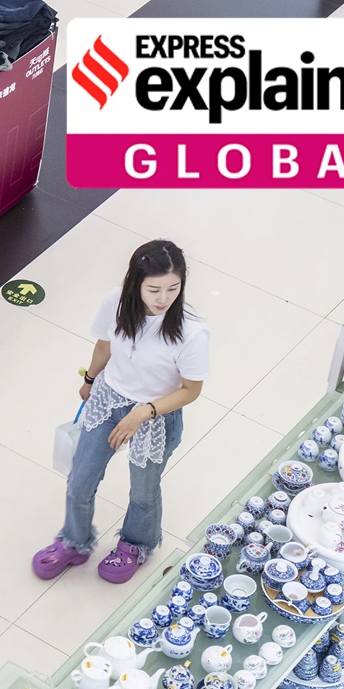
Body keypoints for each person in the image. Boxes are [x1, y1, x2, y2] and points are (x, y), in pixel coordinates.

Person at [32, 240, 210, 585]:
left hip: (155, 417)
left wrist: (144, 412)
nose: (163, 298)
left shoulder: (192, 332)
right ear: (135, 284)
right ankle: (75, 541)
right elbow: (104, 345)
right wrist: (91, 379)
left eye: (173, 288)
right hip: (109, 399)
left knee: (143, 490)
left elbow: (191, 390)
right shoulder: (116, 301)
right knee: (80, 479)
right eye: (154, 289)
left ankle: (136, 545)